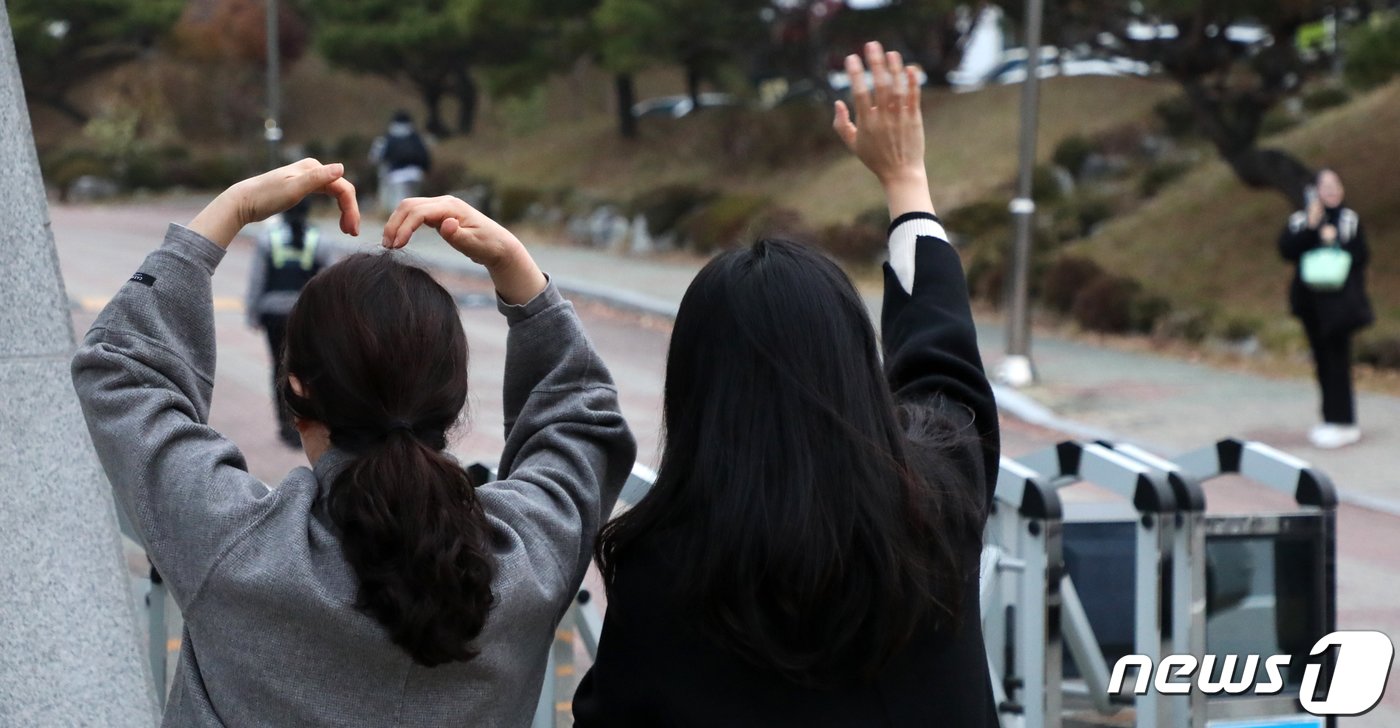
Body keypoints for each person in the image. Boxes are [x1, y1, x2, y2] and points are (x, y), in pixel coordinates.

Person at [71, 159, 636, 725]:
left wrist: (229, 211)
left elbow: (120, 369)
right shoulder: (530, 557)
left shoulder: (234, 545)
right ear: (452, 400)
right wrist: (517, 268)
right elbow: (580, 414)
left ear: (296, 390)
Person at [572, 42, 999, 727]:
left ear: (696, 393)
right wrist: (905, 181)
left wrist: (526, 289)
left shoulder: (662, 568)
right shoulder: (935, 503)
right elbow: (944, 365)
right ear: (855, 364)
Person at [1279, 169, 1373, 449]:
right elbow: (1286, 250)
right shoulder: (1300, 220)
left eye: (1336, 185)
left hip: (1340, 304)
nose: (1332, 190)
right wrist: (1312, 226)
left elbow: (1361, 255)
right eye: (1326, 186)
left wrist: (1336, 241)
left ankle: (1345, 421)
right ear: (1314, 191)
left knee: (1338, 361)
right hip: (1310, 303)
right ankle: (1329, 417)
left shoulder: (1348, 220)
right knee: (1321, 361)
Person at [244, 196, 332, 447]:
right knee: (305, 370)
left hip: (272, 315)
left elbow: (257, 279)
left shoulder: (267, 238)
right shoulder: (320, 240)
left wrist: (252, 313)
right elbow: (328, 283)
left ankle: (285, 426)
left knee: (279, 369)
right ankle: (305, 422)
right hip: (304, 316)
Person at [370, 110, 432, 213]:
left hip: (396, 175)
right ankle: (414, 218)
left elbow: (379, 157)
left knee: (399, 204)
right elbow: (424, 155)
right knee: (414, 201)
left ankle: (400, 222)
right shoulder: (415, 137)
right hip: (416, 173)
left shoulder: (389, 137)